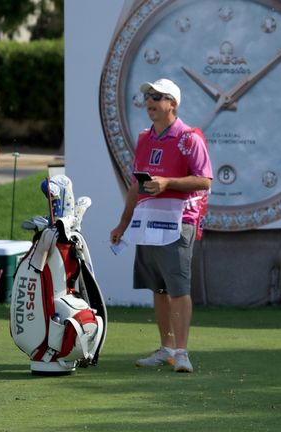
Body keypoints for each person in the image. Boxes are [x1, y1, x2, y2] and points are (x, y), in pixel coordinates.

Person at [109, 78, 212, 373]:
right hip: (147, 222)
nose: (150, 101)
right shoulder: (145, 138)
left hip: (179, 222)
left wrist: (167, 183)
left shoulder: (189, 137)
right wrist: (123, 222)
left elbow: (204, 180)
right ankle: (166, 349)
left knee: (178, 288)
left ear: (173, 104)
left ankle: (182, 352)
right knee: (159, 288)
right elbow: (135, 184)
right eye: (148, 96)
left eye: (158, 96)